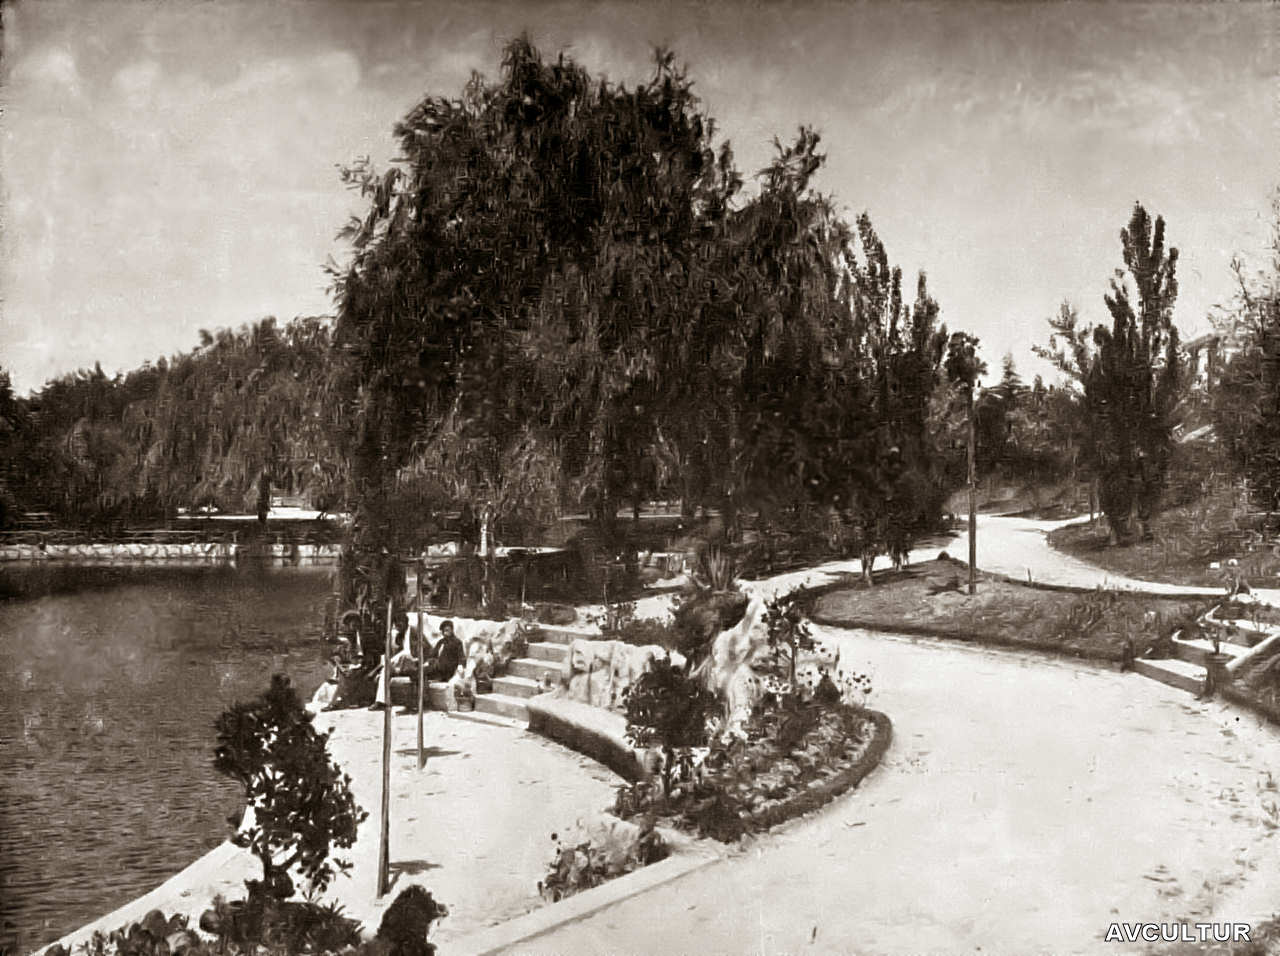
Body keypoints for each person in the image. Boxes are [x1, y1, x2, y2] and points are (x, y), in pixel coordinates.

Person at [423, 619, 465, 683]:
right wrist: (428, 662)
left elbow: (461, 656)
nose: (445, 633)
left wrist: (460, 665)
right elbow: (433, 654)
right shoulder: (441, 642)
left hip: (449, 669)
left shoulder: (457, 642)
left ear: (452, 630)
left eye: (447, 630)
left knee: (425, 672)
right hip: (438, 668)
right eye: (443, 631)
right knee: (421, 671)